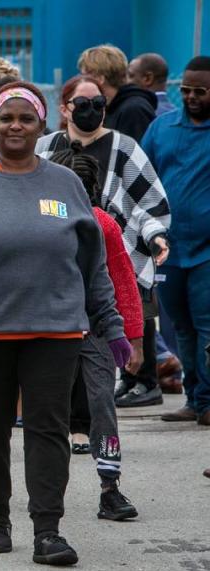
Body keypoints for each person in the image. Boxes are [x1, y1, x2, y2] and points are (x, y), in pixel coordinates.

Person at [0, 81, 130, 566]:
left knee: (48, 430)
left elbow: (91, 263)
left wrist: (112, 323)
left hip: (55, 331)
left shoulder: (65, 184)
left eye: (25, 118)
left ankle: (48, 530)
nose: (15, 125)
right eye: (6, 118)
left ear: (43, 125)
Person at [36, 74, 170, 409]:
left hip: (117, 244)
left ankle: (141, 379)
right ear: (65, 108)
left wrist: (155, 235)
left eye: (98, 104)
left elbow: (148, 200)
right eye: (82, 104)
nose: (91, 111)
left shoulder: (124, 147)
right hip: (59, 252)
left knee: (130, 304)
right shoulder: (46, 147)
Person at [48, 143, 142, 521]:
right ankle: (48, 490)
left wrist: (133, 337)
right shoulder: (42, 222)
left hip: (97, 327)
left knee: (103, 403)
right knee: (50, 409)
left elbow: (122, 280)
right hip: (51, 326)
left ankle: (110, 485)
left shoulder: (102, 224)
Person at [143, 56, 210, 425]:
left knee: (207, 326)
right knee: (181, 326)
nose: (191, 97)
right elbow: (140, 177)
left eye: (200, 91)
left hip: (206, 253)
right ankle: (193, 399)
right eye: (186, 91)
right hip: (168, 249)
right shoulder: (161, 128)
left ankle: (207, 400)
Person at [78, 44, 156, 142]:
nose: (81, 81)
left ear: (100, 78)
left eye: (85, 76)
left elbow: (134, 154)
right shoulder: (108, 108)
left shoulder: (134, 109)